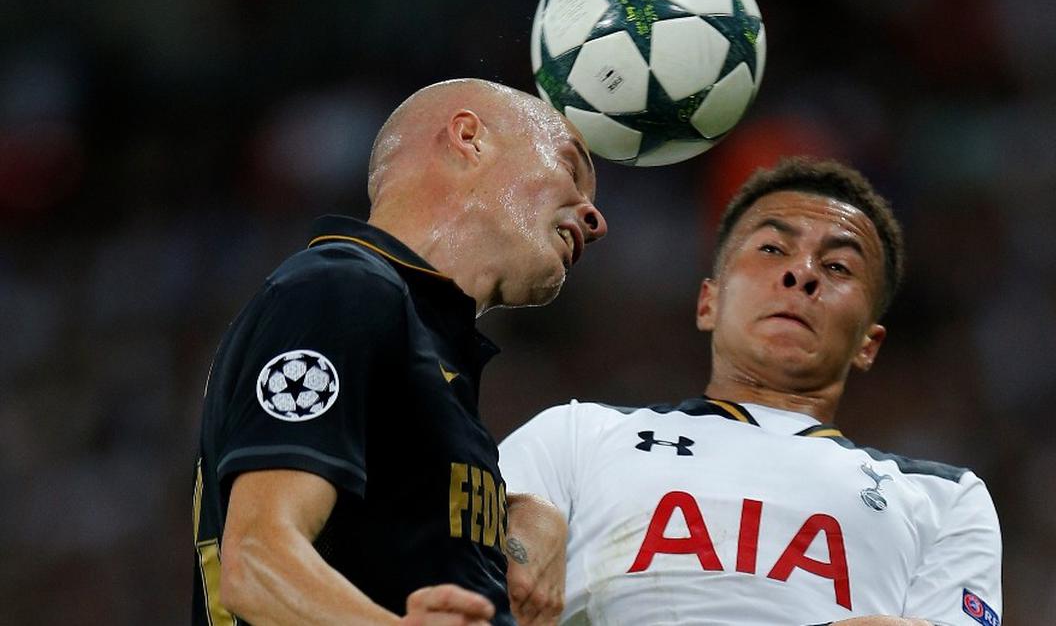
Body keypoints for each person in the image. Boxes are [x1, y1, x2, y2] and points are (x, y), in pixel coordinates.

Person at [500, 157, 1002, 626]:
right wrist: (515, 519)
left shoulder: (946, 500)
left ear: (868, 345)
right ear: (708, 303)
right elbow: (456, 570)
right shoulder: (574, 437)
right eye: (772, 249)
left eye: (837, 267)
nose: (801, 273)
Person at [192, 78, 607, 626]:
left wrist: (525, 515)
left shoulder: (421, 339)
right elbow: (257, 561)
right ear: (468, 137)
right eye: (570, 168)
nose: (596, 220)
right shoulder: (340, 289)